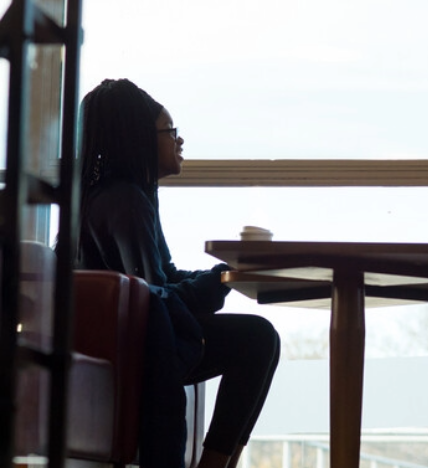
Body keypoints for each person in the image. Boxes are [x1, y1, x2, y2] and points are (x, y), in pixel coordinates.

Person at [75, 78, 280, 468]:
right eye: (171, 131)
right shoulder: (126, 202)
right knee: (258, 339)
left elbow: (160, 278)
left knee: (258, 339)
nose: (179, 141)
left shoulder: (112, 197)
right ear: (137, 140)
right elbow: (152, 300)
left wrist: (220, 277)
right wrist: (216, 282)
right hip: (136, 344)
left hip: (120, 335)